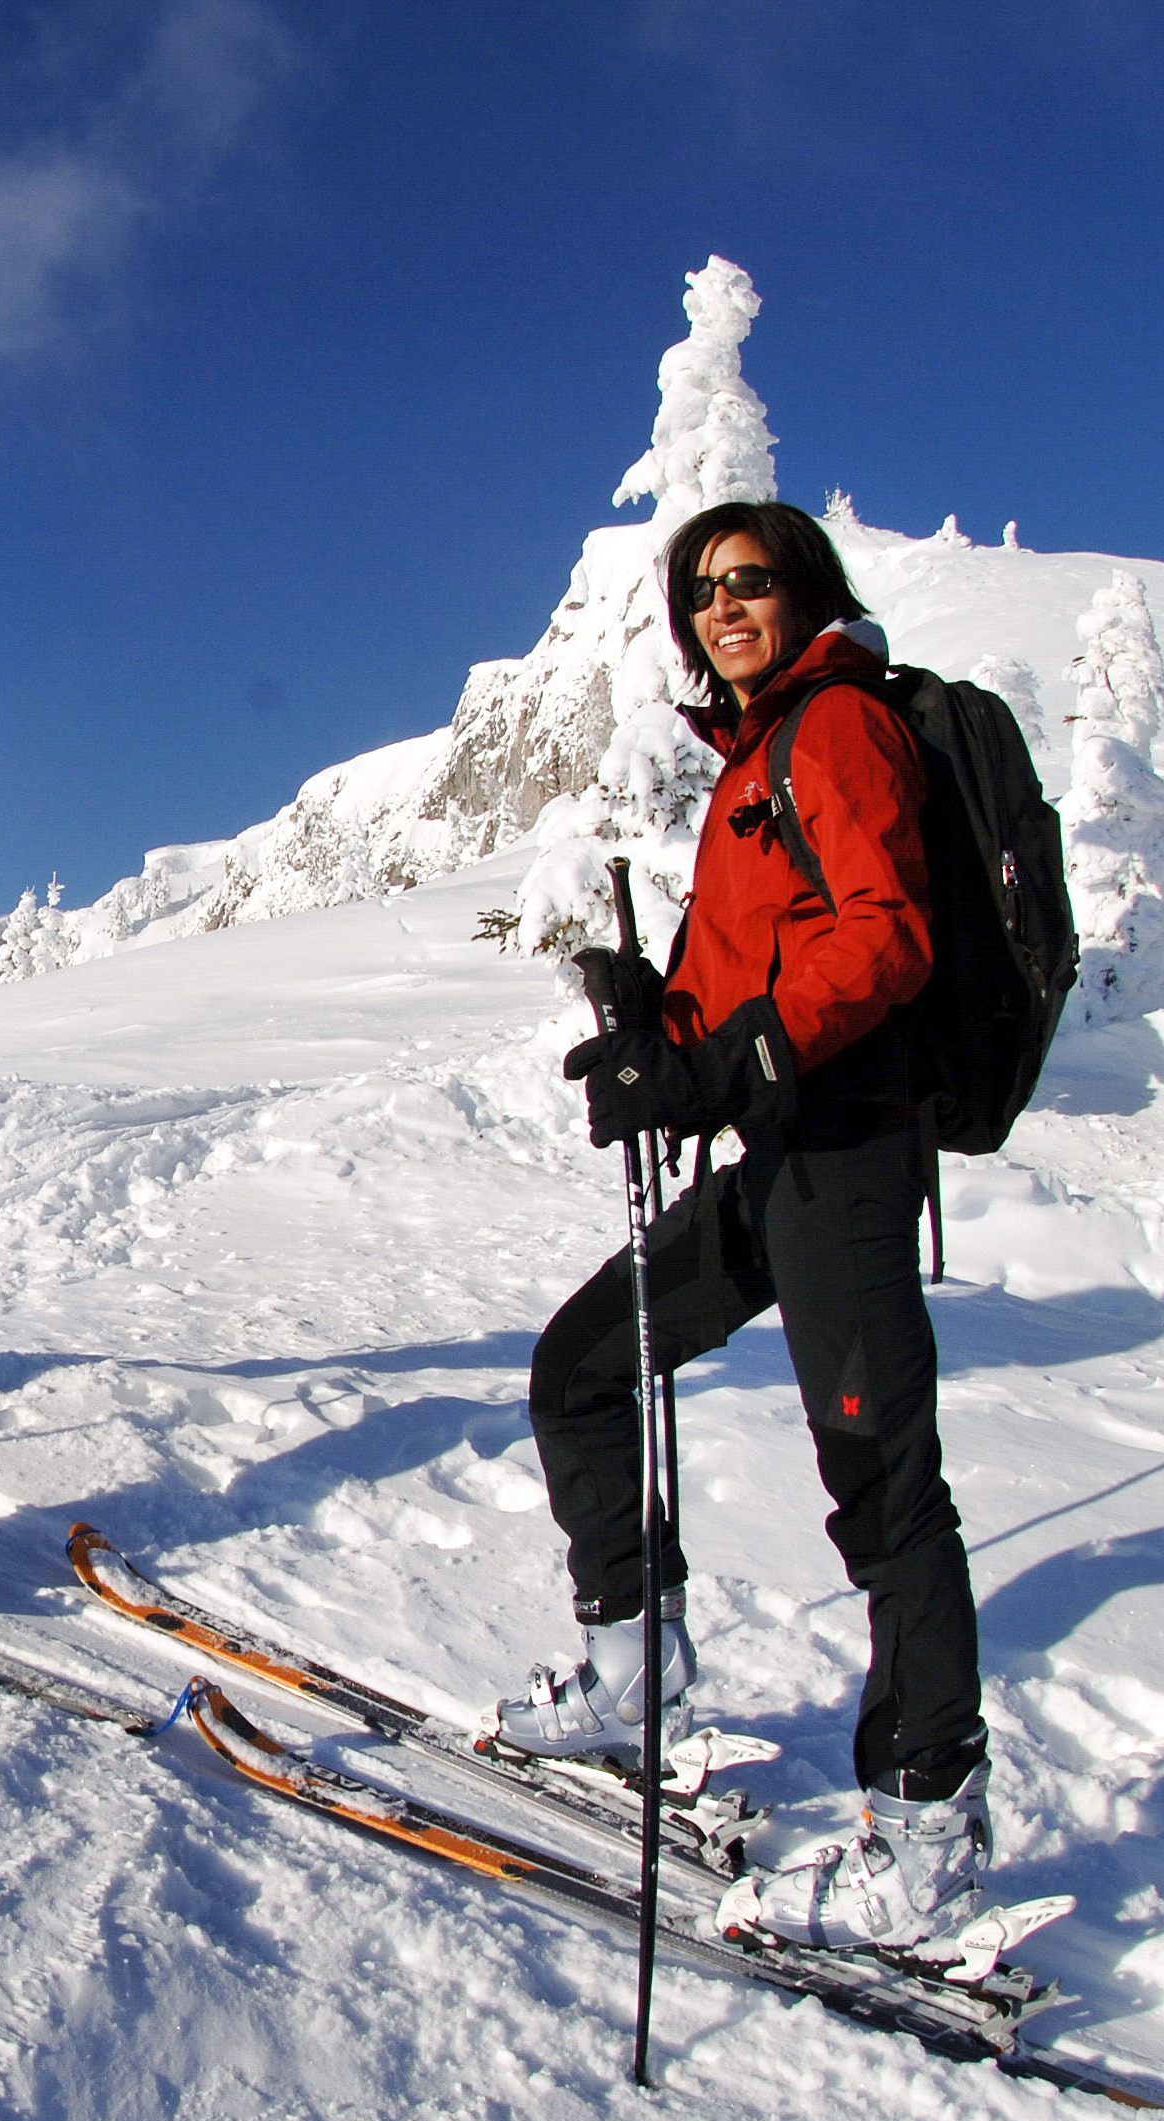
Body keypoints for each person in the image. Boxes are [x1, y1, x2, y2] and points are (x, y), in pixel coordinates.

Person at [492, 499, 993, 1952]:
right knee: (582, 1364)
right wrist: (657, 1029)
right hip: (778, 1155)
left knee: (882, 1485)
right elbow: (760, 967)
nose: (722, 607)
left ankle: (930, 1833)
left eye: (749, 580)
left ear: (802, 590)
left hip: (845, 1155)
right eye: (701, 590)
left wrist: (723, 1063)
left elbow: (884, 939)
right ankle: (634, 1670)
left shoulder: (836, 726)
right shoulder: (757, 756)